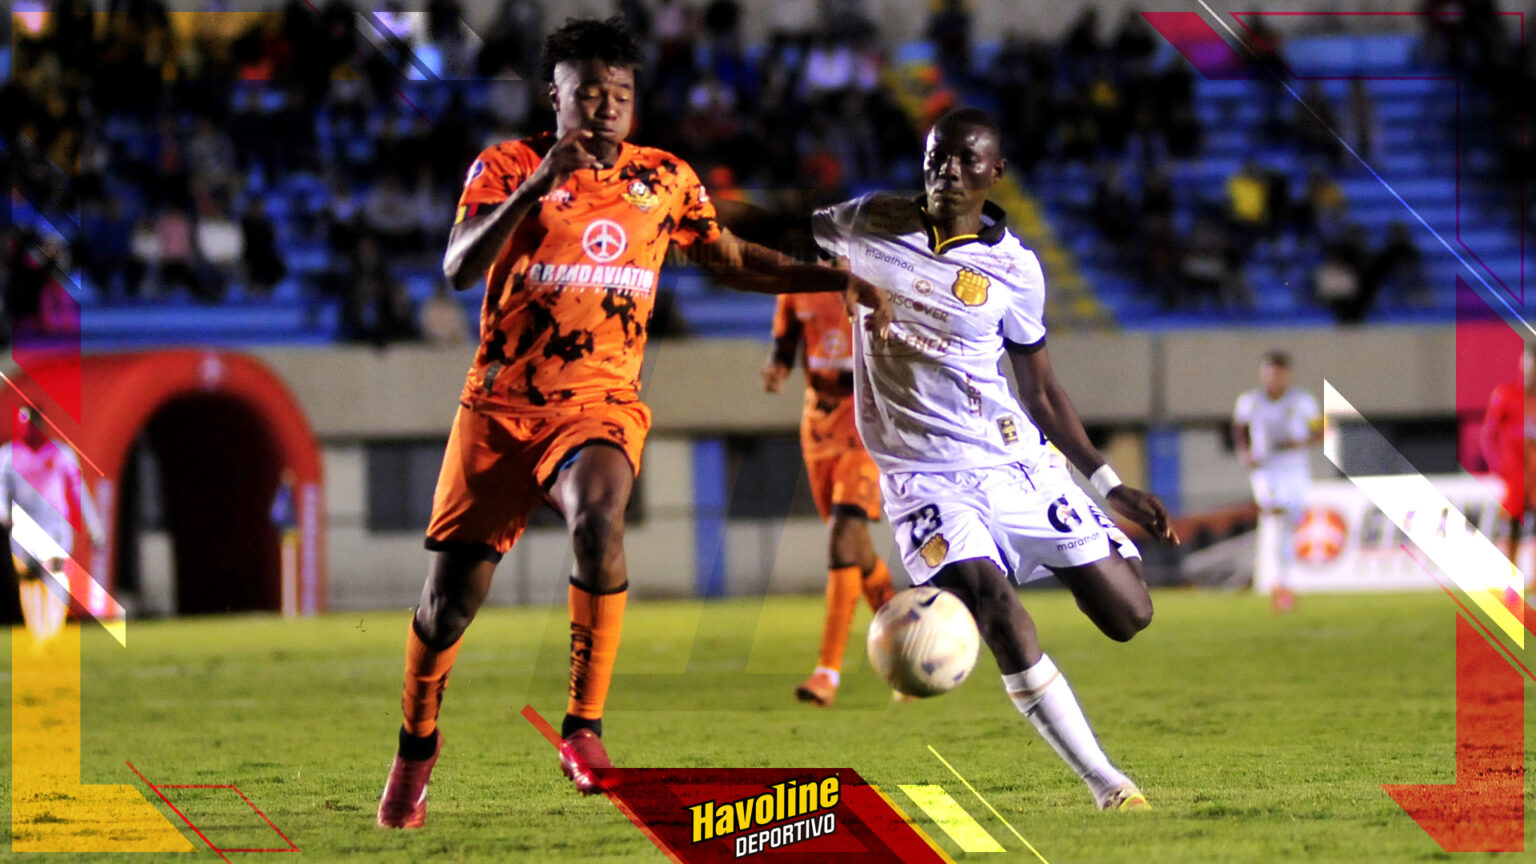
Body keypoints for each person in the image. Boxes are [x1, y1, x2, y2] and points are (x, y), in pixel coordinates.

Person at [376, 16, 890, 827]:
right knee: (447, 609)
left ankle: (584, 728)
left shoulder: (666, 178)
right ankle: (416, 748)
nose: (607, 105)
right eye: (588, 92)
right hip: (500, 411)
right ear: (554, 97)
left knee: (600, 515)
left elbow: (727, 259)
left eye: (620, 91)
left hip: (601, 404)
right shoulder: (505, 165)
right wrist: (536, 184)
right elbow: (458, 266)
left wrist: (827, 277)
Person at [812, 107, 1177, 811]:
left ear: (995, 172)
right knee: (997, 608)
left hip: (1016, 464)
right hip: (925, 479)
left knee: (1129, 614)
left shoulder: (1017, 269)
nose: (948, 169)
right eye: (937, 155)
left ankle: (1040, 558)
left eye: (966, 159)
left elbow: (1039, 389)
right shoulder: (869, 222)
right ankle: (1108, 784)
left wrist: (1108, 484)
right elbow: (780, 237)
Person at [763, 289, 895, 707]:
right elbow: (786, 340)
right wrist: (778, 367)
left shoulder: (874, 280)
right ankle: (904, 640)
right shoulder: (797, 287)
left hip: (865, 424)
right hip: (818, 428)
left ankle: (827, 673)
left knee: (843, 533)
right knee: (857, 549)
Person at [0, 407, 105, 642]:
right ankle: (37, 631)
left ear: (41, 424)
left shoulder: (61, 453)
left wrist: (95, 527)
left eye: (31, 423)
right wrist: (3, 513)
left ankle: (54, 629)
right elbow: (1, 487)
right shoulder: (8, 454)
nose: (28, 429)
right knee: (28, 578)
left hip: (54, 524)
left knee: (55, 572)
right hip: (23, 524)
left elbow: (79, 490)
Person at [1232, 351, 1322, 612]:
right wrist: (1244, 452)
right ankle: (1276, 584)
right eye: (1268, 373)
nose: (1272, 379)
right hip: (1266, 471)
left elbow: (1319, 432)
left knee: (1288, 527)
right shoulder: (1250, 401)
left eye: (1277, 373)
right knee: (1276, 514)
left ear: (1287, 374)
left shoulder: (1303, 402)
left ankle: (1282, 583)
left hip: (1295, 471)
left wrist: (1300, 442)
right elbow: (1239, 428)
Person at [1480, 343, 1536, 587]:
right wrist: (1497, 465)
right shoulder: (1506, 394)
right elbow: (1488, 434)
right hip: (1514, 472)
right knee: (1513, 522)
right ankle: (1512, 575)